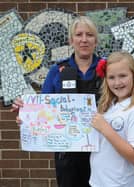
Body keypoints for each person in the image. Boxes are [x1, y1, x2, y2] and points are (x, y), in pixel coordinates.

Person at [11, 16, 103, 187]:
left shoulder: (106, 68)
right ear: (71, 40)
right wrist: (26, 116)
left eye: (89, 35)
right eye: (79, 35)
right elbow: (42, 110)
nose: (84, 40)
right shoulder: (57, 71)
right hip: (66, 151)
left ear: (96, 40)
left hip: (102, 149)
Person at [90, 51, 134, 187]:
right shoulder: (107, 107)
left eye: (122, 76)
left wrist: (105, 129)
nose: (117, 82)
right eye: (111, 77)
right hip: (96, 182)